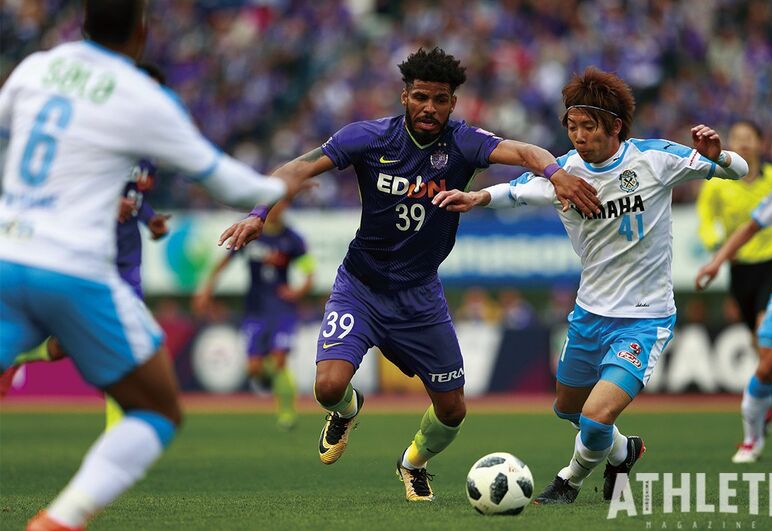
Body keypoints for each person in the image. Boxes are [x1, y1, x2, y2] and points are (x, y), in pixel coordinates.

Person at [217, 47, 600, 502]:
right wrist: (259, 213)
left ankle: (413, 462)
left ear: (453, 102)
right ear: (404, 96)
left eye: (440, 99)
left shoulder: (464, 142)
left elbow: (523, 151)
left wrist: (556, 174)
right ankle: (347, 411)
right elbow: (298, 167)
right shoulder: (368, 137)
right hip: (360, 287)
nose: (429, 108)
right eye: (420, 97)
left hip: (419, 296)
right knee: (328, 387)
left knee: (453, 410)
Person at [0, 1, 300, 529]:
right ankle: (58, 521)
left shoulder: (34, 68)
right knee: (157, 408)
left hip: (7, 256)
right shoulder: (140, 95)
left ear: (82, 22)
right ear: (141, 32)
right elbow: (227, 183)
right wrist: (282, 187)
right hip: (71, 269)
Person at [432, 67, 748, 504]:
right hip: (589, 314)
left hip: (644, 318)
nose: (578, 136)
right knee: (569, 409)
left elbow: (739, 170)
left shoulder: (654, 159)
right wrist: (476, 197)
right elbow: (516, 191)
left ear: (614, 126)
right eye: (572, 126)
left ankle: (569, 481)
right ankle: (624, 452)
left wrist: (720, 157)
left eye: (588, 126)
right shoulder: (564, 173)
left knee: (596, 418)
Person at [0, 65, 172, 433]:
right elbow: (58, 188)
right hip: (83, 252)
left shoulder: (149, 150)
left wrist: (150, 219)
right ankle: (20, 353)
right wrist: (107, 205)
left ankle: (115, 431)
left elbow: (134, 197)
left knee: (121, 346)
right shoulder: (93, 134)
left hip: (125, 260)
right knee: (69, 343)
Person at [696, 119, 772, 435]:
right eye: (736, 137)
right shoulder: (716, 182)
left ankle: (767, 402)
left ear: (760, 143)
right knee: (758, 344)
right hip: (739, 268)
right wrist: (716, 245)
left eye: (748, 137)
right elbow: (705, 220)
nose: (742, 143)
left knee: (764, 331)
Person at [194, 201, 314, 430]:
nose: (277, 210)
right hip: (255, 308)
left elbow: (309, 272)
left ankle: (287, 412)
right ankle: (275, 379)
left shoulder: (293, 239)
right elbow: (224, 262)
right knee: (254, 369)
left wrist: (298, 291)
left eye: (281, 205)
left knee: (280, 359)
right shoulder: (251, 232)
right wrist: (207, 289)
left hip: (282, 310)